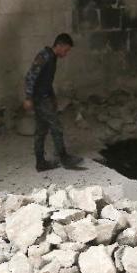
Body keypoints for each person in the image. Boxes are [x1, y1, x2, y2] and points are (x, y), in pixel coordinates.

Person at [23, 33, 83, 171]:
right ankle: (64, 158)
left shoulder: (52, 58)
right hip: (40, 99)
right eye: (66, 50)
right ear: (59, 45)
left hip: (44, 98)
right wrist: (28, 97)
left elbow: (46, 81)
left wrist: (53, 97)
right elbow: (30, 77)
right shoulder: (45, 56)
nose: (66, 53)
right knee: (56, 126)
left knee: (41, 130)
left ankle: (40, 163)